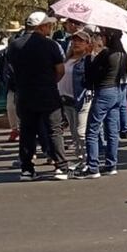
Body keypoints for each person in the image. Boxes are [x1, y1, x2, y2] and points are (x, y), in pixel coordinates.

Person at [7, 12, 69, 181]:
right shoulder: (50, 45)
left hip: (24, 92)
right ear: (41, 27)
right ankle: (61, 166)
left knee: (27, 131)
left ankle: (26, 168)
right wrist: (50, 81)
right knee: (54, 130)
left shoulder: (14, 45)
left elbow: (11, 68)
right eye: (48, 25)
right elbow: (60, 70)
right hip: (47, 91)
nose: (50, 28)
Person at [75, 28, 127, 179]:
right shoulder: (122, 54)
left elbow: (92, 74)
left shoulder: (106, 54)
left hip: (104, 90)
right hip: (117, 90)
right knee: (112, 130)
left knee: (92, 130)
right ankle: (111, 164)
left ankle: (93, 167)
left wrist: (88, 58)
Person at [57, 29, 91, 164]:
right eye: (74, 40)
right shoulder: (68, 59)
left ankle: (87, 158)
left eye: (80, 41)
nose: (76, 43)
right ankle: (79, 157)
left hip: (81, 98)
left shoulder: (87, 60)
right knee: (73, 132)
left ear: (87, 44)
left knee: (81, 131)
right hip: (66, 98)